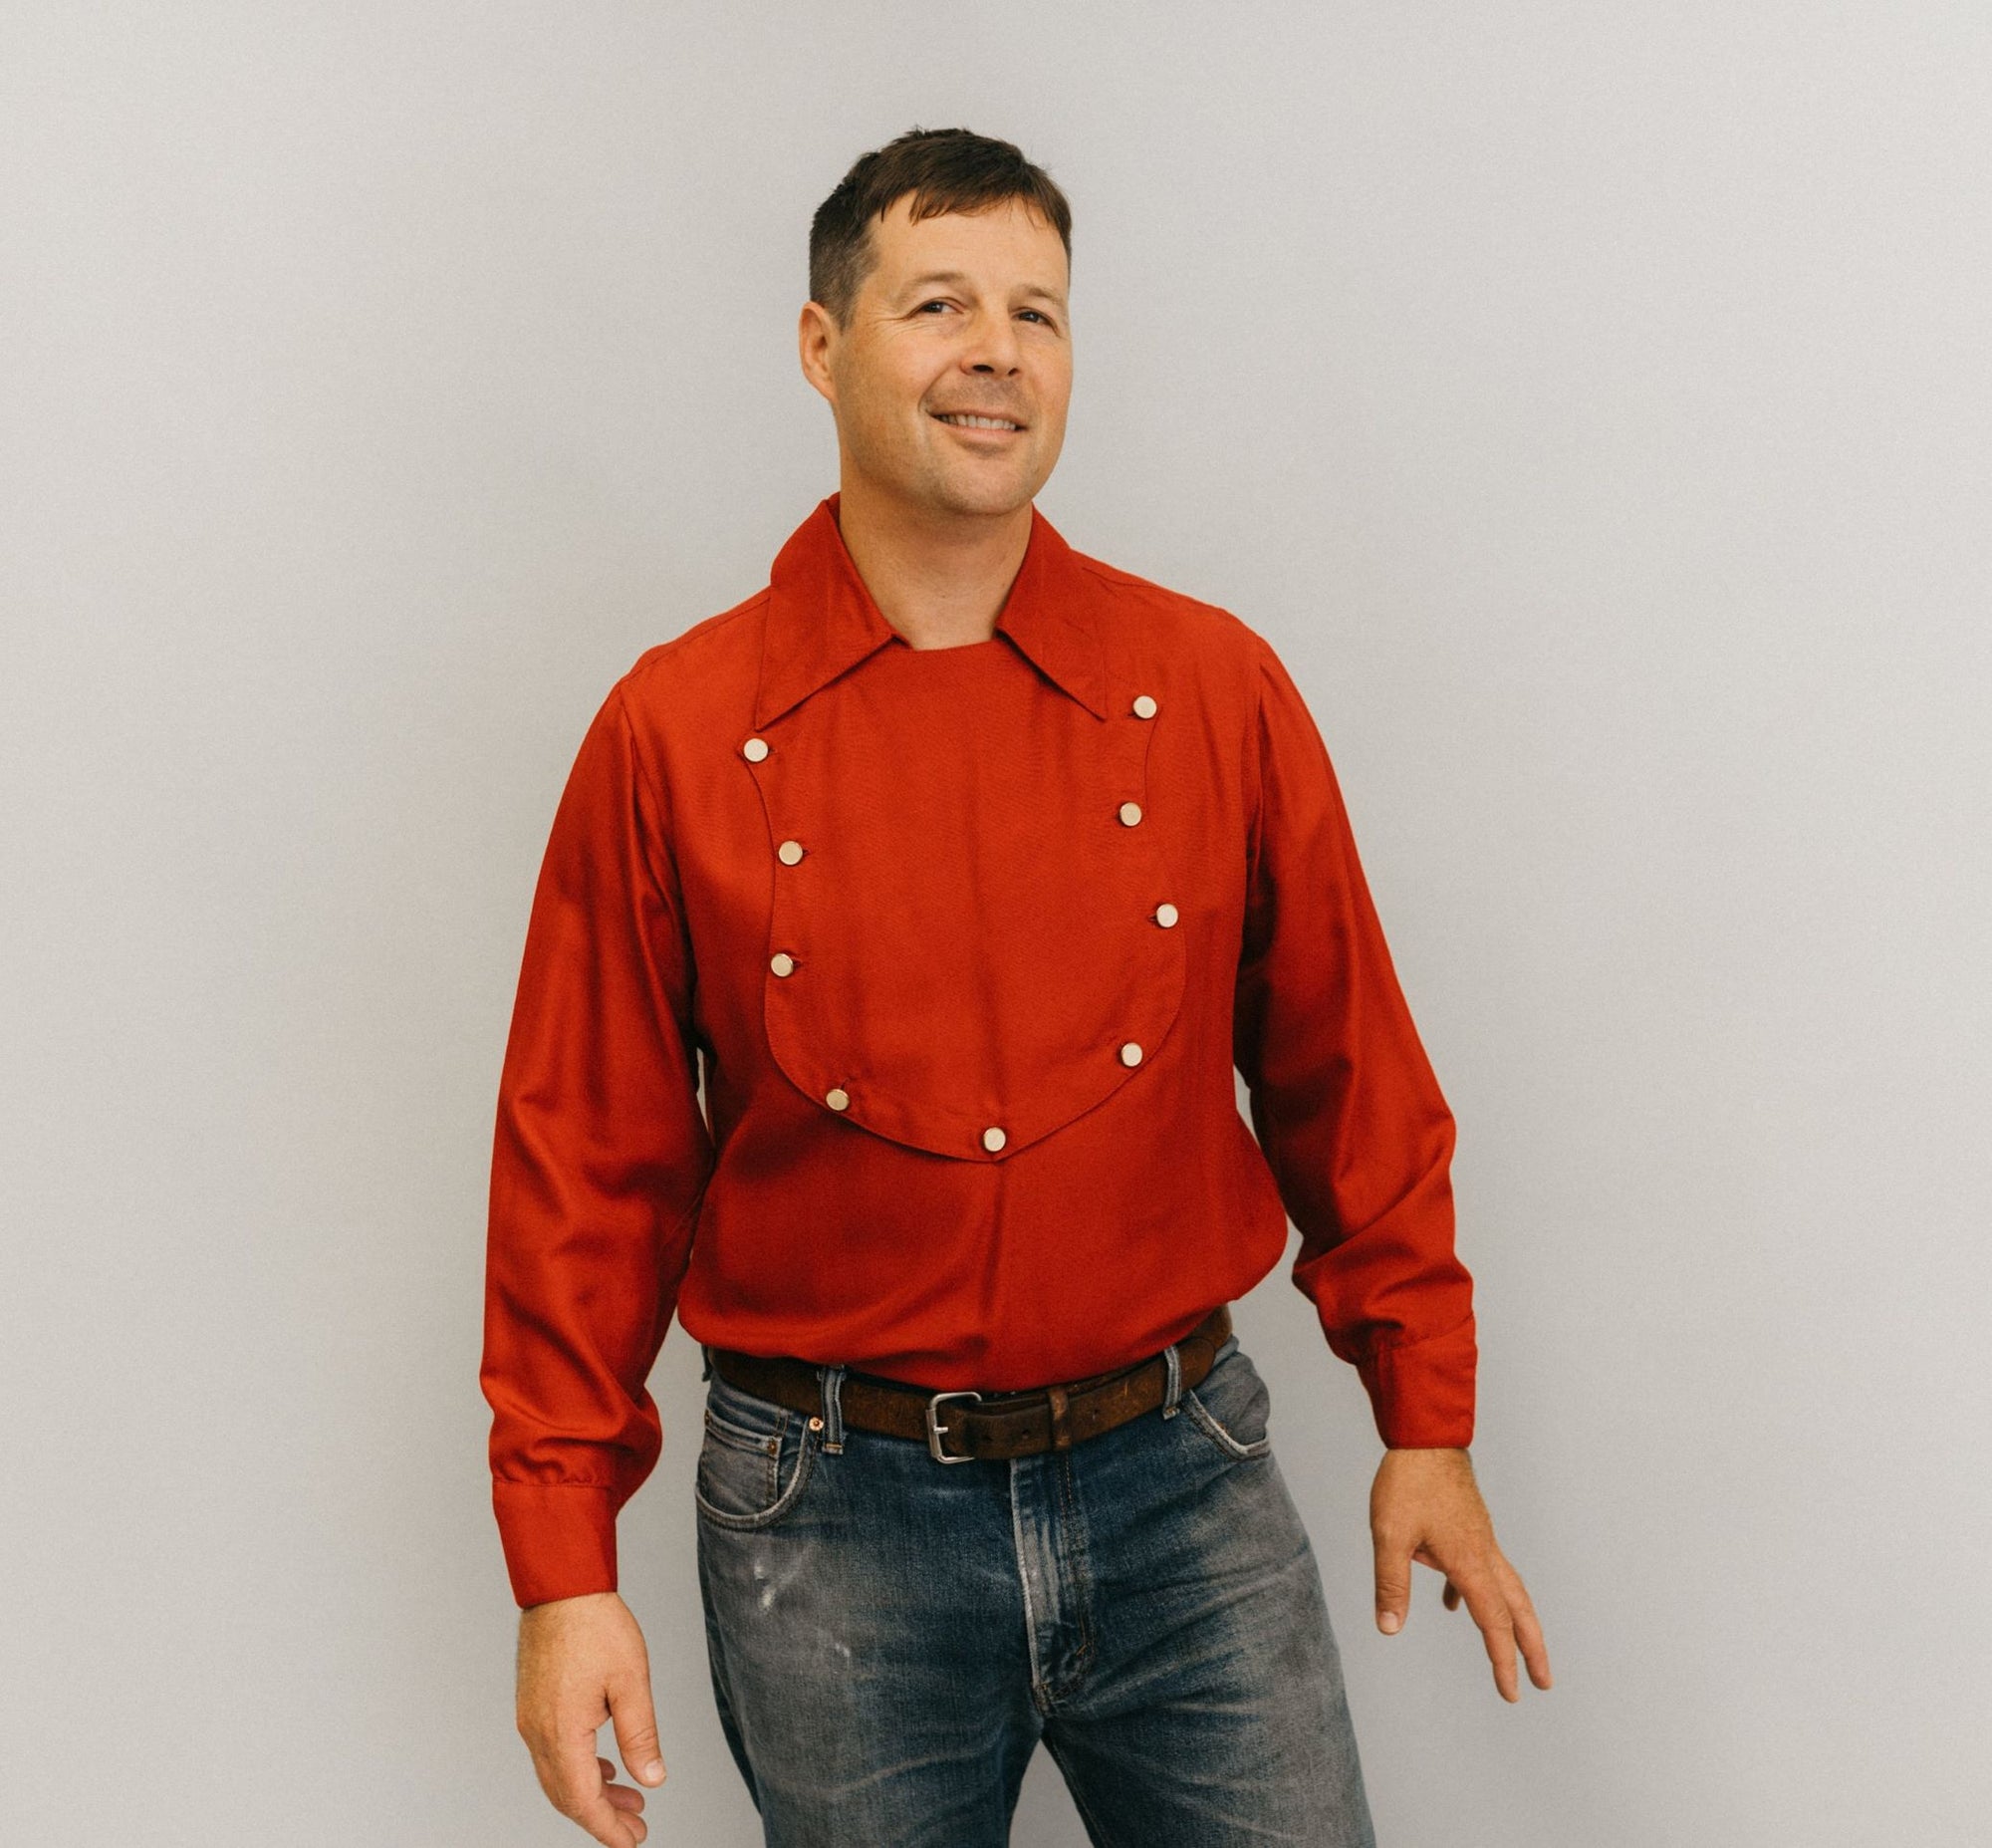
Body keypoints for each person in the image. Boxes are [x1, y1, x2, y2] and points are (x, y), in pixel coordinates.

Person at [481, 126, 1551, 1848]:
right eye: (939, 304)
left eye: (1038, 314)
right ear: (823, 347)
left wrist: (1425, 1416)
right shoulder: (669, 732)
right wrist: (561, 1570)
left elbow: (1345, 1065)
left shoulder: (1213, 685)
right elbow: (582, 1173)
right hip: (826, 1522)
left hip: (1183, 1485)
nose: (998, 351)